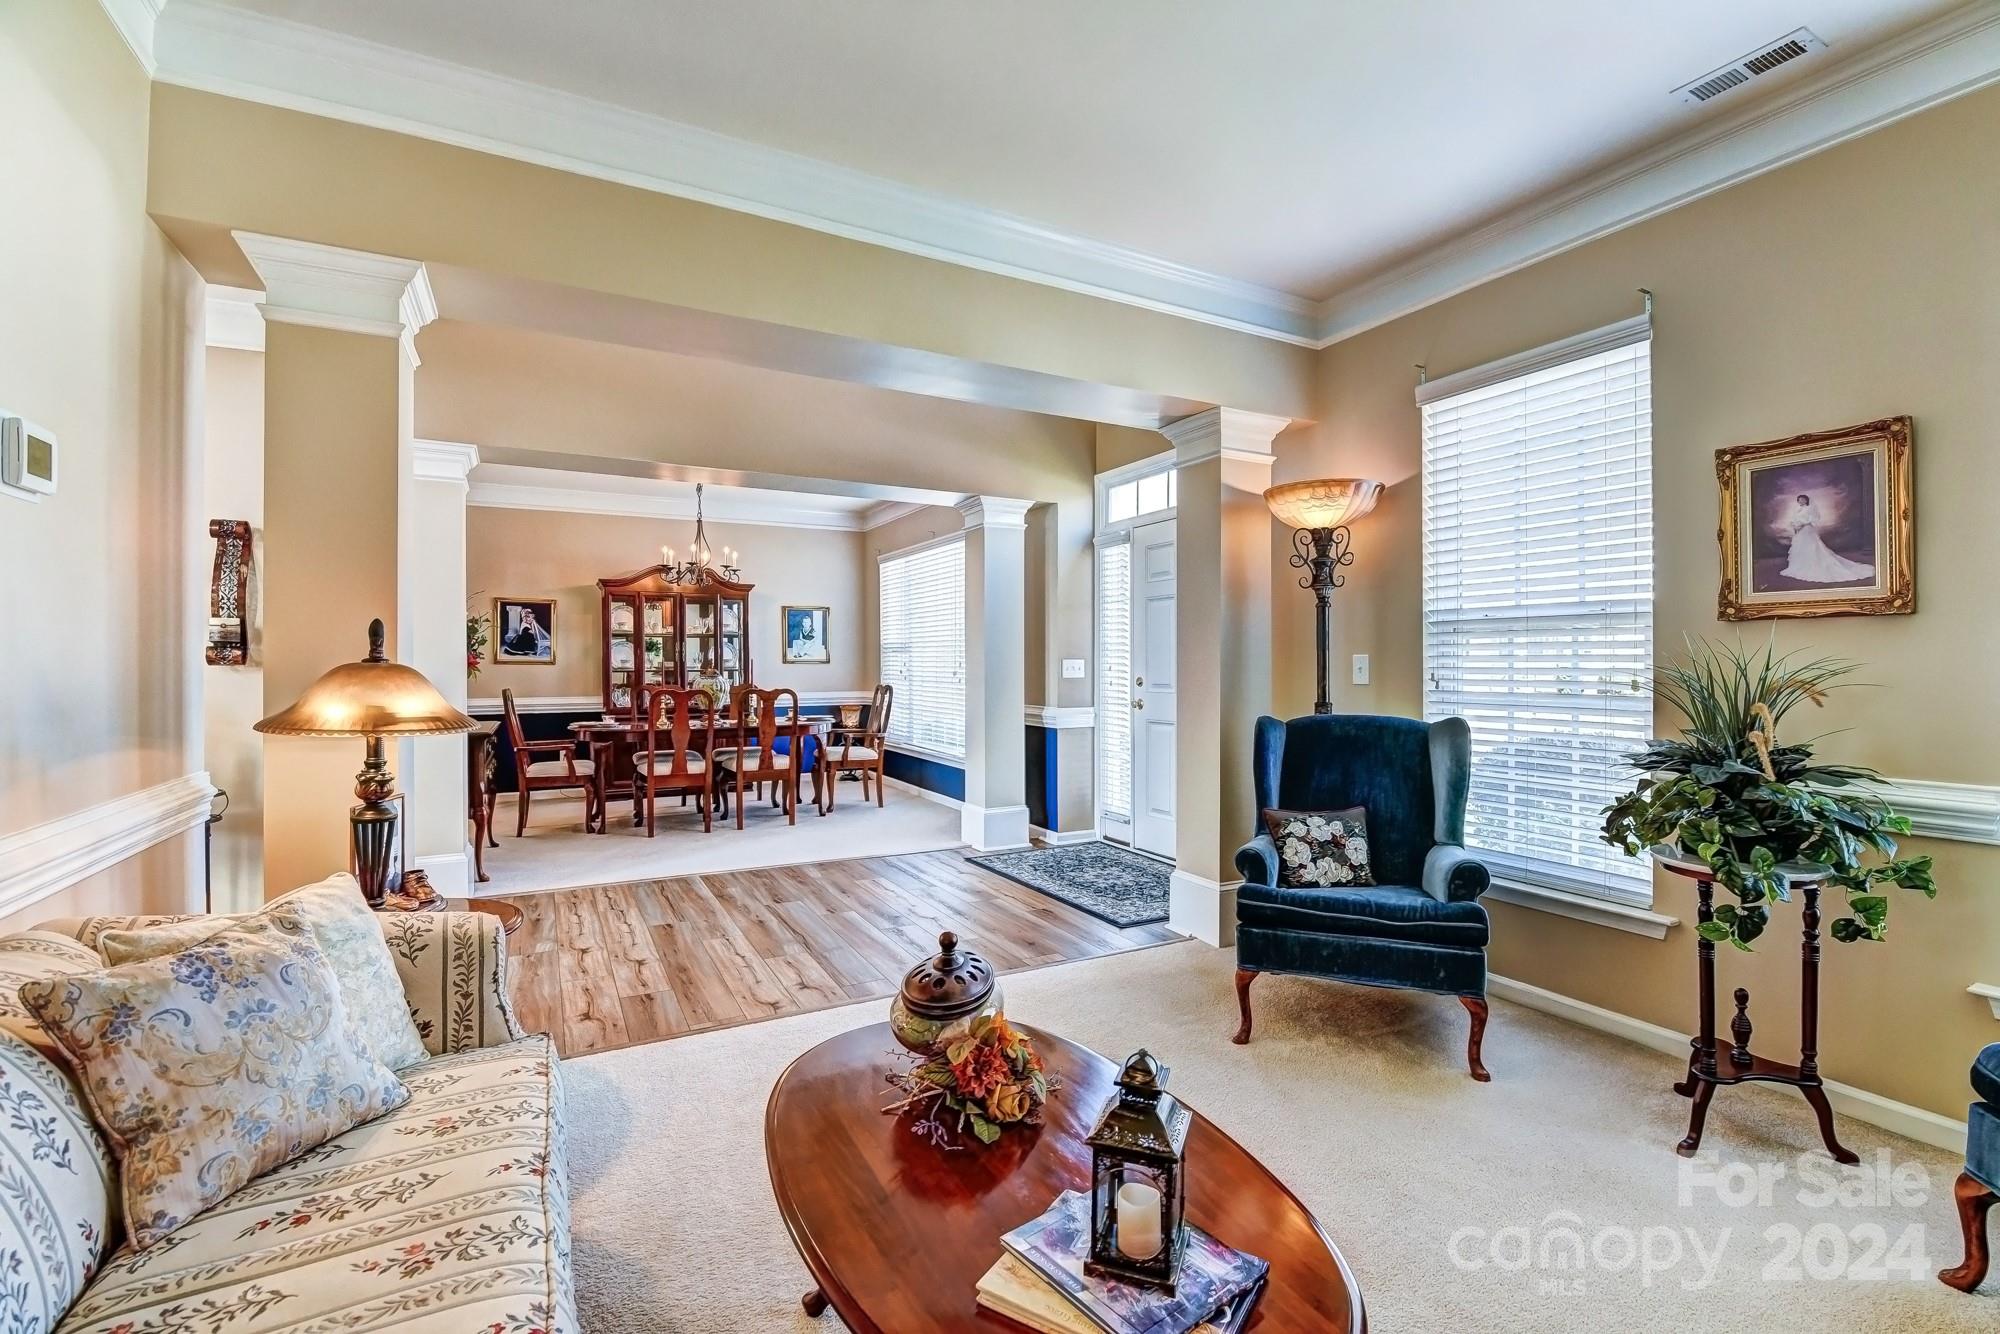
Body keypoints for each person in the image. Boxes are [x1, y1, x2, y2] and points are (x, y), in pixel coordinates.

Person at [1780, 493, 1874, 583]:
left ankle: (1813, 564)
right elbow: (1794, 519)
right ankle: (1800, 564)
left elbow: (1813, 519)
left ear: (1806, 500)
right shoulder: (1797, 509)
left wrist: (1802, 524)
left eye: (1803, 499)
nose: (1801, 501)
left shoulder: (1809, 508)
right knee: (1800, 547)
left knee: (1811, 546)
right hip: (1799, 531)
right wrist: (1795, 525)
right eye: (1799, 500)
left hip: (1807, 529)